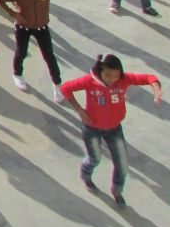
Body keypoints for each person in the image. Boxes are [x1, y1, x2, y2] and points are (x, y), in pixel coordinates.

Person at [59, 54, 162, 206]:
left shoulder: (123, 80)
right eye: (107, 75)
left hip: (114, 129)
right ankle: (86, 176)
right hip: (92, 128)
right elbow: (66, 88)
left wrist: (157, 89)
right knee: (95, 158)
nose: (112, 79)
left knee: (122, 162)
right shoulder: (89, 81)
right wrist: (79, 109)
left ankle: (117, 191)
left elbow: (149, 78)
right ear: (99, 71)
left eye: (116, 75)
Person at [0, 0, 87, 100]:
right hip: (23, 27)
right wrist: (13, 14)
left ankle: (57, 85)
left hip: (42, 27)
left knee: (49, 57)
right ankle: (18, 74)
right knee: (22, 52)